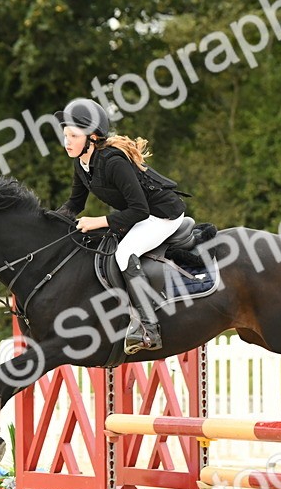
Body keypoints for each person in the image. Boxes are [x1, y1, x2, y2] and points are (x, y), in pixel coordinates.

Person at [55, 98, 187, 354]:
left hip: (162, 216)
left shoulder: (113, 162)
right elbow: (74, 204)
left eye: (73, 135)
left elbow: (139, 210)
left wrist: (98, 221)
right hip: (138, 215)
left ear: (92, 137)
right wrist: (48, 223)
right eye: (65, 135)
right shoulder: (81, 163)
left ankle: (149, 329)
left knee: (124, 253)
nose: (67, 142)